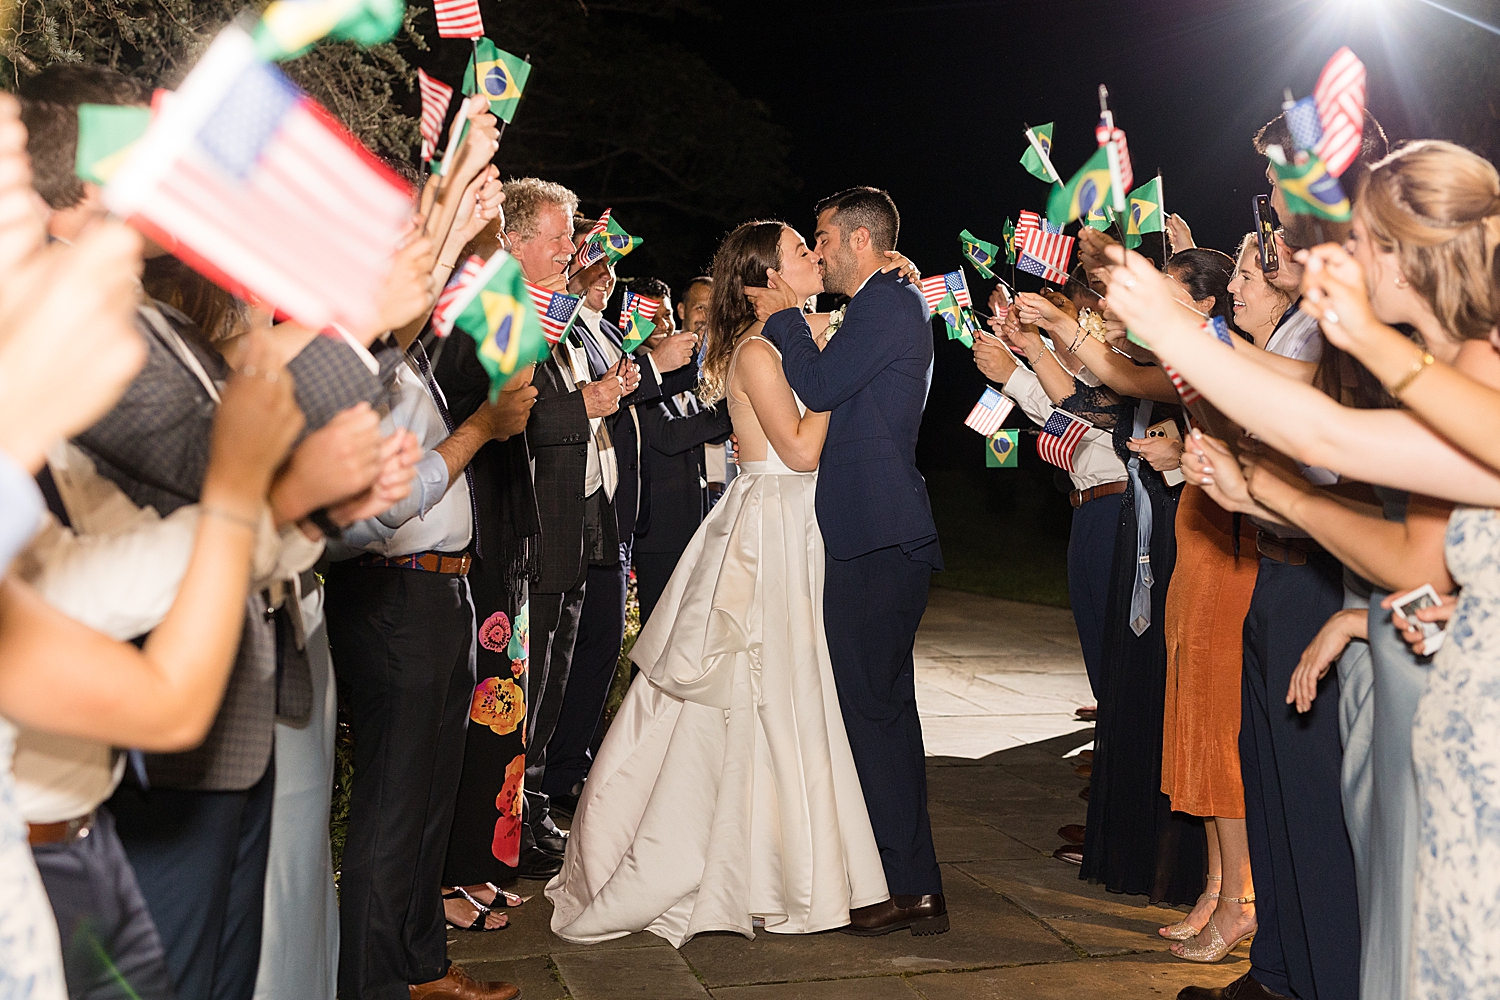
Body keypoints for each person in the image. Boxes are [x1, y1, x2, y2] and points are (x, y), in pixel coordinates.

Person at [547, 218, 890, 946]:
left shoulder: (779, 344)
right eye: (801, 251)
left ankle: (781, 860)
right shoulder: (761, 353)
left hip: (791, 523)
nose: (814, 256)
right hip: (772, 523)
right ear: (766, 279)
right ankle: (744, 867)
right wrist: (833, 379)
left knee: (785, 695)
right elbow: (797, 452)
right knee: (757, 693)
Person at [746, 187, 948, 934]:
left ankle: (907, 886)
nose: (819, 250)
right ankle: (905, 879)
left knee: (874, 712)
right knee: (882, 709)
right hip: (877, 531)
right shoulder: (888, 296)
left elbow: (824, 385)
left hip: (877, 532)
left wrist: (780, 319)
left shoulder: (887, 304)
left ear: (861, 240)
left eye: (825, 237)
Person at [537, 232, 701, 815]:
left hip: (608, 506)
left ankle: (570, 769)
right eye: (594, 271)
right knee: (560, 659)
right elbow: (553, 403)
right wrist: (651, 366)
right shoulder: (556, 324)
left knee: (598, 649)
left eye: (610, 274)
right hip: (565, 510)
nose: (606, 281)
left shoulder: (601, 330)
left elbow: (631, 392)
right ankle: (546, 782)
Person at [505, 178, 633, 880]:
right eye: (556, 237)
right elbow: (503, 420)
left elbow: (575, 405)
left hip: (580, 517)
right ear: (514, 242)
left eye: (568, 234)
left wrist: (605, 393)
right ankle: (509, 817)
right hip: (535, 523)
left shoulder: (560, 315)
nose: (570, 248)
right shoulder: (501, 315)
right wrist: (584, 401)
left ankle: (536, 805)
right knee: (528, 679)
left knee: (555, 677)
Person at [632, 276, 734, 626]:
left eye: (664, 316)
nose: (662, 325)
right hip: (659, 531)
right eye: (650, 316)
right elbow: (669, 436)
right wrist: (739, 408)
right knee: (656, 637)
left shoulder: (683, 370)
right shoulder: (634, 373)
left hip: (693, 522)